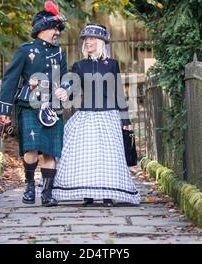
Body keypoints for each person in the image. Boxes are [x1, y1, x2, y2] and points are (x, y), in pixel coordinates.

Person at [52, 23, 141, 206]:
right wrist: (63, 91)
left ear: (101, 42)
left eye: (92, 38)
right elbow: (73, 85)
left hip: (108, 115)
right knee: (87, 155)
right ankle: (88, 195)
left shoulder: (112, 65)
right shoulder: (79, 65)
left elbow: (118, 93)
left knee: (108, 156)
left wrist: (125, 119)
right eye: (86, 39)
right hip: (86, 115)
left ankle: (107, 195)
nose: (88, 41)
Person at [0, 1, 69, 206]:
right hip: (29, 104)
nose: (57, 32)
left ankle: (47, 193)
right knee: (30, 149)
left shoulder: (60, 53)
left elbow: (66, 77)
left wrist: (66, 88)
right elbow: (10, 80)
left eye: (58, 29)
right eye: (54, 28)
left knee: (50, 150)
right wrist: (4, 111)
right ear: (42, 29)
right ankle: (29, 187)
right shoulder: (25, 50)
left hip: (53, 108)